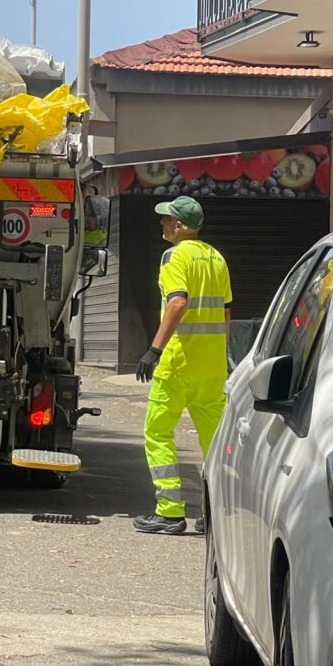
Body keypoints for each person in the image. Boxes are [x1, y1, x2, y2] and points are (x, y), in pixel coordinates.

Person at [133, 196, 232, 534]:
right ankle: (213, 514)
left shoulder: (174, 255)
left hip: (178, 364)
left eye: (166, 220)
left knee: (158, 432)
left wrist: (154, 350)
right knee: (214, 443)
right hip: (212, 368)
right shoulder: (217, 258)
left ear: (178, 225)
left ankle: (170, 512)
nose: (161, 224)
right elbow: (226, 312)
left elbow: (177, 302)